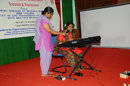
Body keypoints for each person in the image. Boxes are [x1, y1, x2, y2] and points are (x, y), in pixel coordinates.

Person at [33, 6, 66, 77]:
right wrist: (61, 33)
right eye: (50, 14)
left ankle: (46, 70)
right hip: (43, 40)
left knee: (48, 55)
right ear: (47, 13)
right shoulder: (43, 20)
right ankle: (44, 73)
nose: (51, 16)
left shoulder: (44, 19)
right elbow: (50, 30)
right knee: (44, 56)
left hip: (47, 40)